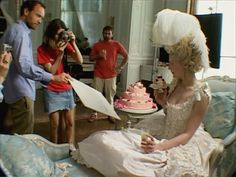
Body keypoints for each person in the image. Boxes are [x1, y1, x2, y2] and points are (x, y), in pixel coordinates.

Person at [72, 9, 223, 177]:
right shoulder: (174, 84)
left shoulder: (201, 94)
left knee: (133, 163)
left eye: (172, 63)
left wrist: (158, 147)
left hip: (181, 142)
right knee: (102, 139)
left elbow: (187, 134)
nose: (169, 66)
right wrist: (162, 103)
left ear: (186, 63)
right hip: (161, 132)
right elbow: (171, 113)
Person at [0, 0, 71, 134]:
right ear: (26, 12)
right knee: (24, 138)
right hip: (21, 93)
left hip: (10, 90)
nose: (40, 21)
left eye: (42, 18)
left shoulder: (13, 29)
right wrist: (54, 77)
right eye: (38, 16)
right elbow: (25, 67)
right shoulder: (20, 33)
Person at [37, 18, 83, 147]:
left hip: (67, 88)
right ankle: (55, 149)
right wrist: (60, 54)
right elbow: (51, 71)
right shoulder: (42, 50)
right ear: (51, 34)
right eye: (58, 34)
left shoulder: (65, 44)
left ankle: (69, 149)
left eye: (62, 33)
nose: (60, 37)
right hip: (51, 90)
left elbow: (80, 61)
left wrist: (73, 43)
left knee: (70, 123)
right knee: (54, 125)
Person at [88, 25, 128, 123]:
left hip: (111, 75)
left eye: (109, 33)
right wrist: (99, 55)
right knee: (96, 95)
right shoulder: (97, 45)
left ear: (112, 34)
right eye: (105, 33)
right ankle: (94, 113)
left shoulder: (116, 44)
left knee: (110, 97)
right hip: (98, 74)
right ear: (102, 33)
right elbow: (91, 58)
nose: (106, 35)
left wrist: (120, 67)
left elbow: (126, 56)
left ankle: (110, 114)